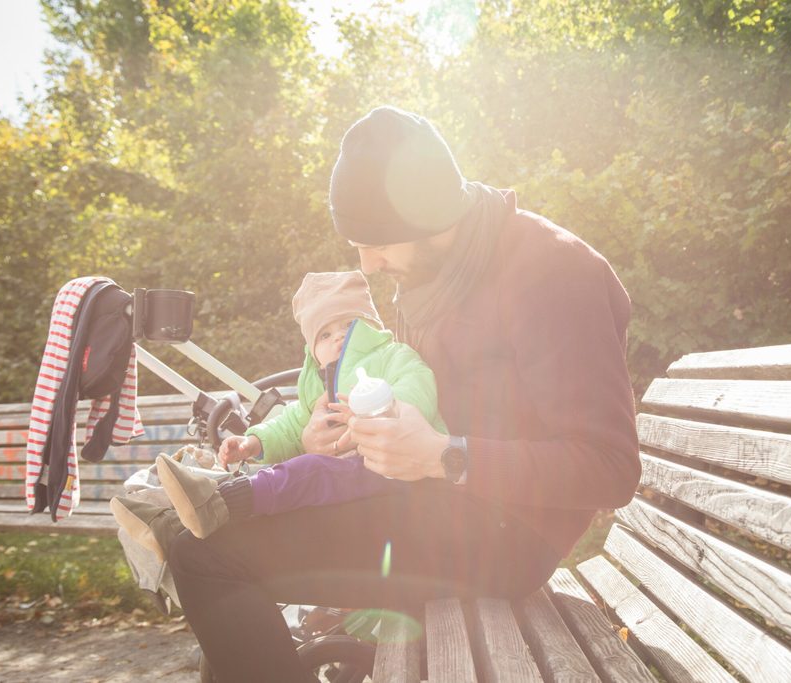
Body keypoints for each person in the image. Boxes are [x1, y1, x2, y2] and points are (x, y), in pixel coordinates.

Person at [165, 105, 642, 682]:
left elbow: (612, 470)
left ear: (430, 208)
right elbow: (406, 399)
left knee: (207, 555)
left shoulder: (554, 273)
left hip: (506, 534)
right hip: (427, 500)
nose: (367, 262)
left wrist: (445, 454)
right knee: (200, 536)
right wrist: (327, 435)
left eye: (377, 242)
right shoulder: (429, 274)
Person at [110, 270, 447, 556]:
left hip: (398, 478)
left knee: (309, 471)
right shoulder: (316, 383)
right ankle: (172, 521)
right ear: (313, 350)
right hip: (352, 488)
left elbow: (418, 388)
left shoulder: (392, 357)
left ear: (372, 325)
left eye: (350, 324)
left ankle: (213, 505)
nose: (340, 336)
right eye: (325, 333)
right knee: (285, 478)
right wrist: (253, 442)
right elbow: (292, 423)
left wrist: (380, 408)